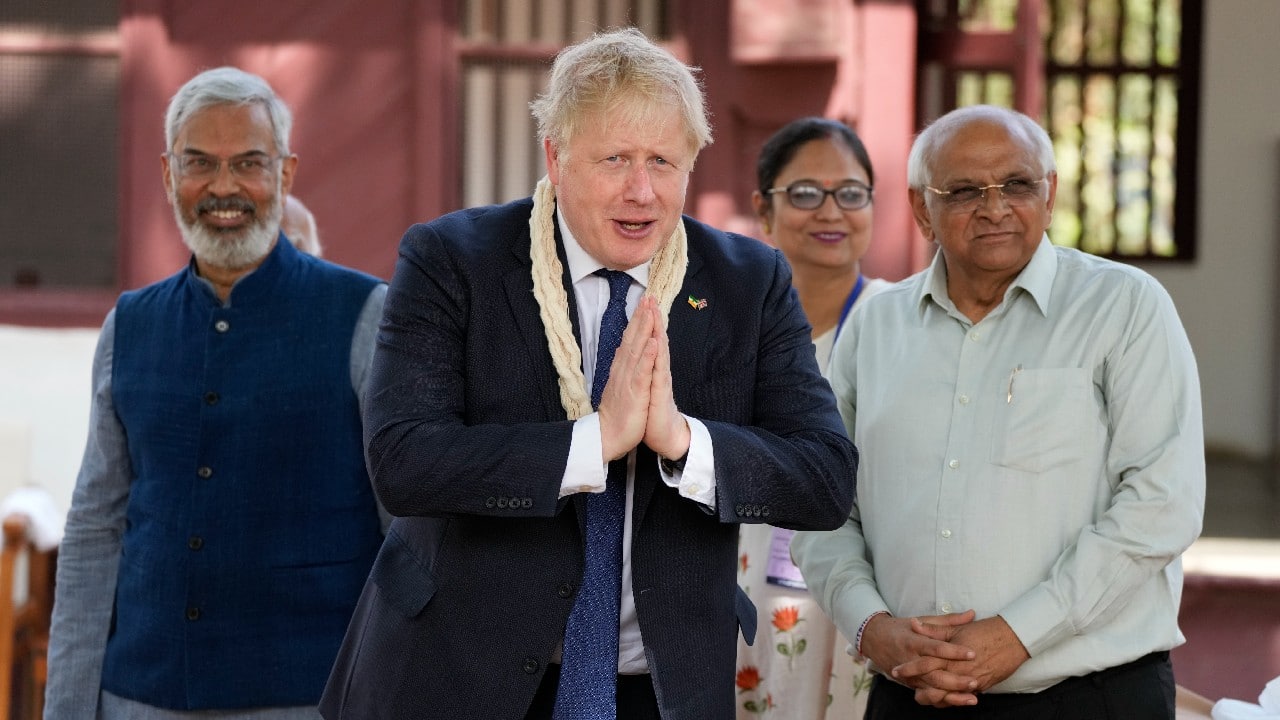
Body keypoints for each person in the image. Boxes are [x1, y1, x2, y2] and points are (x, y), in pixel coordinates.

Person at [319, 28, 857, 720]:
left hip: (659, 688)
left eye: (664, 161)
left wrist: (684, 441)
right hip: (458, 675)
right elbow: (403, 461)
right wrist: (593, 442)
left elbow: (825, 478)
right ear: (556, 157)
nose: (642, 191)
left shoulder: (746, 283)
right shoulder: (454, 260)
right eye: (615, 159)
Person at [792, 104, 1204, 719]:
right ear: (919, 209)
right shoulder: (875, 328)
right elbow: (821, 503)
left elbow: (1161, 504)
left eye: (1017, 184)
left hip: (1091, 698)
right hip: (910, 695)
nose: (994, 208)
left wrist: (1016, 634)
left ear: (1052, 191)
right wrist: (871, 627)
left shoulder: (1124, 307)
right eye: (962, 191)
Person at [44, 67, 388, 719]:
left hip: (312, 698)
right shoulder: (131, 324)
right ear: (170, 175)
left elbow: (407, 531)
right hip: (138, 697)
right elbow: (96, 525)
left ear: (285, 176)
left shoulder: (363, 313)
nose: (224, 187)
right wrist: (66, 706)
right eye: (199, 162)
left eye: (248, 164)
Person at [734, 117, 891, 719]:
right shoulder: (732, 327)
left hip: (859, 591)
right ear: (764, 209)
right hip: (743, 584)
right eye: (804, 193)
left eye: (850, 193)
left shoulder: (899, 324)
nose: (831, 211)